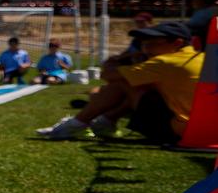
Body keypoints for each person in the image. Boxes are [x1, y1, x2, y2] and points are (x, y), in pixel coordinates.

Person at [38, 23, 201, 142]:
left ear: (177, 43)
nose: (146, 49)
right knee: (137, 84)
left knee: (123, 82)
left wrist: (118, 59)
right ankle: (101, 123)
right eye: (143, 44)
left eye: (152, 43)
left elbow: (108, 74)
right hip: (203, 130)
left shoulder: (165, 62)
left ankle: (77, 125)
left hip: (180, 132)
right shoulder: (200, 57)